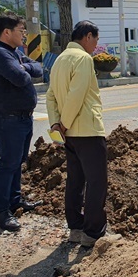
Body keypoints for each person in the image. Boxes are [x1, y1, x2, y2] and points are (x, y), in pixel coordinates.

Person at [46, 20, 107, 247]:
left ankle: (75, 228)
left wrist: (56, 125)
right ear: (88, 36)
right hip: (87, 131)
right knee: (96, 182)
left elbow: (51, 96)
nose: (95, 46)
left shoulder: (59, 60)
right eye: (96, 40)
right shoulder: (83, 59)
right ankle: (93, 233)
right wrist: (64, 123)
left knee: (75, 181)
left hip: (69, 135)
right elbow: (77, 95)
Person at [0, 12, 43, 232]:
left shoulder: (12, 52)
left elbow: (38, 68)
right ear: (7, 32)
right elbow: (22, 78)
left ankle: (15, 201)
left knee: (17, 163)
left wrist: (24, 66)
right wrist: (25, 69)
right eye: (21, 31)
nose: (24, 35)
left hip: (21, 119)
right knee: (8, 164)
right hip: (8, 120)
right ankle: (0, 211)